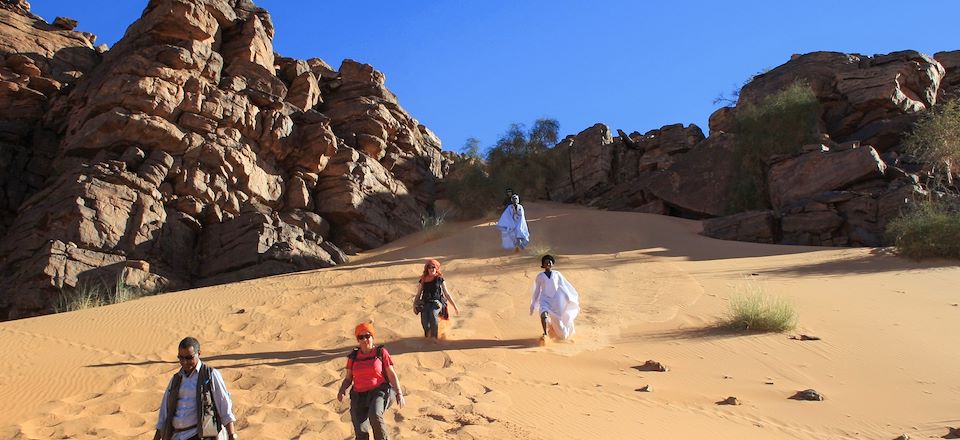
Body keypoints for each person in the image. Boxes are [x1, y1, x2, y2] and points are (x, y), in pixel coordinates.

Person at [154, 337, 238, 440]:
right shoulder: (176, 379)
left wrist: (231, 435)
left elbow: (224, 406)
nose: (184, 362)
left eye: (189, 358)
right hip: (176, 436)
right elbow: (164, 412)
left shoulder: (210, 375)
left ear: (199, 353)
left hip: (200, 435)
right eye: (181, 358)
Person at [337, 323, 405, 440]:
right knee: (360, 428)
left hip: (378, 391)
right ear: (358, 340)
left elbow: (391, 374)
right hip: (358, 395)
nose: (365, 340)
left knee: (375, 415)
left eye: (367, 336)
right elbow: (348, 378)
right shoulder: (353, 357)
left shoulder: (380, 353)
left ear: (372, 337)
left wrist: (399, 393)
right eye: (361, 337)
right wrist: (342, 389)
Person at [529, 255, 580, 344]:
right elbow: (537, 290)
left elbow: (564, 286)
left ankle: (553, 329)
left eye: (550, 262)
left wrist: (568, 297)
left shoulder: (557, 274)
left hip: (556, 301)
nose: (548, 263)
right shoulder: (540, 276)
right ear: (543, 265)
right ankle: (545, 334)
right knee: (544, 315)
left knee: (562, 334)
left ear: (552, 264)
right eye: (546, 262)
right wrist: (533, 304)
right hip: (544, 299)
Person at [412, 259, 461, 338]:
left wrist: (455, 306)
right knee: (424, 322)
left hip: (436, 303)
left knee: (432, 313)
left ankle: (434, 338)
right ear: (427, 269)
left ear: (436, 268)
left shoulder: (440, 279)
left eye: (434, 267)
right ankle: (427, 337)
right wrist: (414, 305)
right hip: (425, 303)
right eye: (430, 267)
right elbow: (418, 295)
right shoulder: (423, 280)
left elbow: (447, 294)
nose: (432, 269)